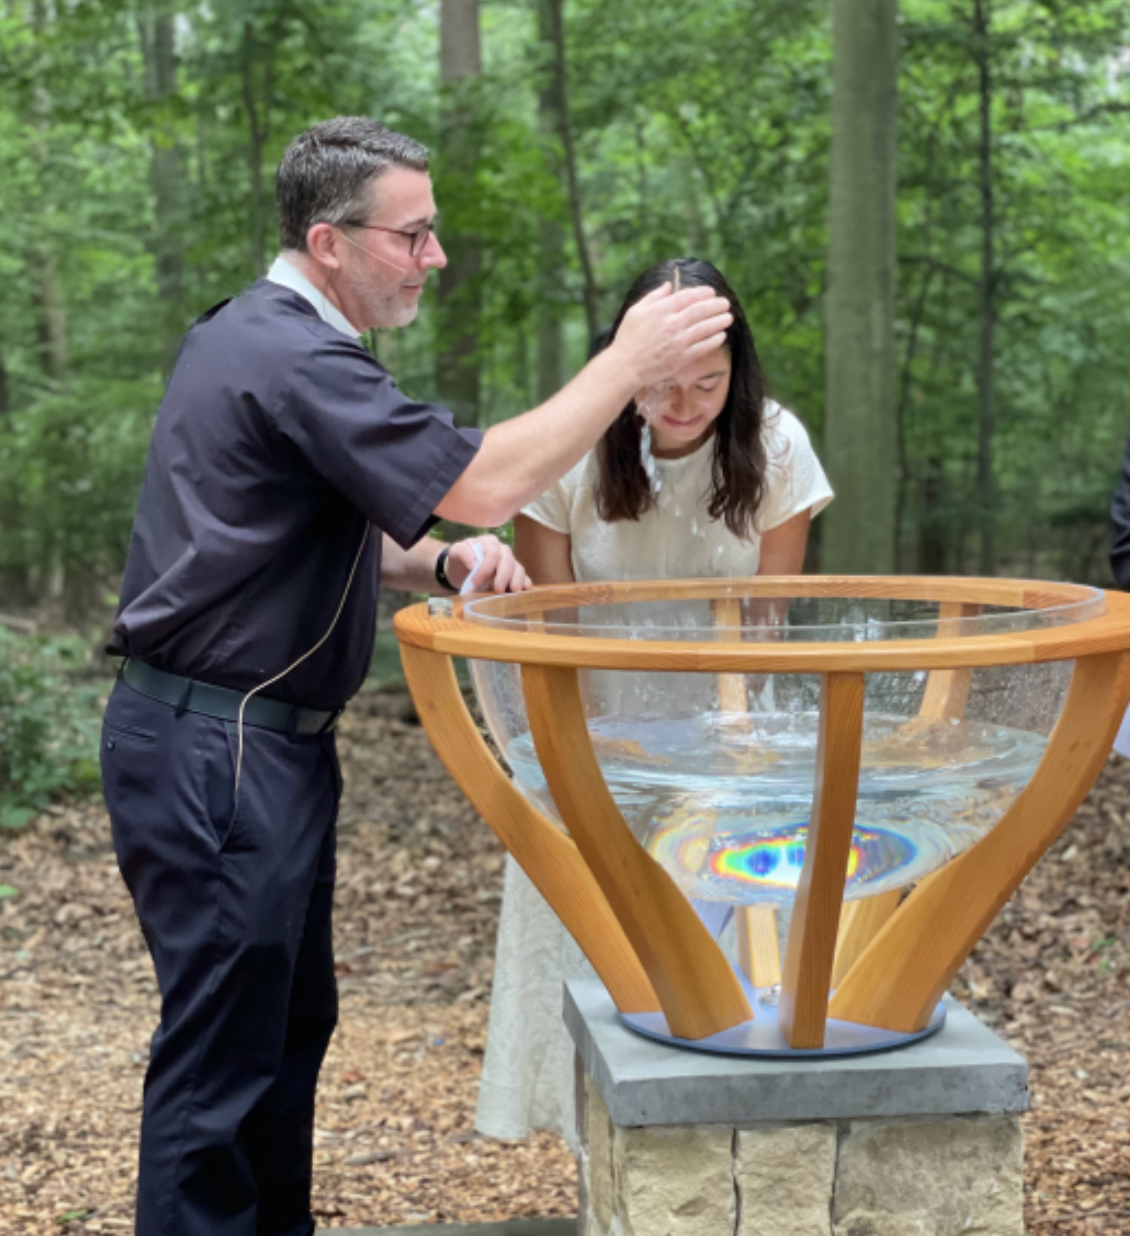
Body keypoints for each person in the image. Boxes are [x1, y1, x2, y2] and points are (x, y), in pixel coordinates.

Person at [100, 120, 733, 1236]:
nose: (435, 258)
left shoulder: (263, 343)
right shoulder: (289, 351)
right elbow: (487, 481)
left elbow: (290, 531)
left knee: (284, 1037)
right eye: (415, 234)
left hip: (255, 749)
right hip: (221, 751)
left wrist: (434, 560)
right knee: (219, 1072)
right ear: (329, 242)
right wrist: (624, 366)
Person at [474, 257, 833, 1148]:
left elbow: (766, 626)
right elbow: (543, 629)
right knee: (598, 949)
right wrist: (590, 751)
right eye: (663, 385)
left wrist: (731, 746)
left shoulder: (778, 443)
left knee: (727, 972)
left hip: (727, 734)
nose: (684, 405)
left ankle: (724, 1144)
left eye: (707, 384)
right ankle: (600, 1146)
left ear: (737, 371)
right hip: (594, 736)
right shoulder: (567, 447)